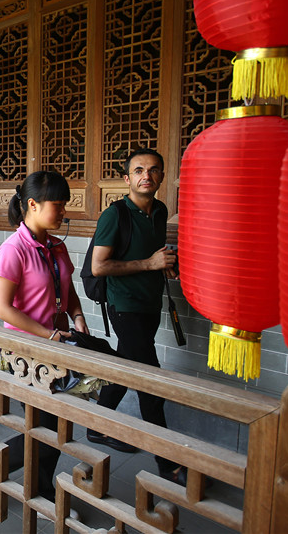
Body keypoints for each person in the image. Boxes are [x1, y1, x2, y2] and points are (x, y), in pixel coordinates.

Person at [0, 171, 84, 520]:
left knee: (56, 426)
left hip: (58, 347)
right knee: (44, 427)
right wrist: (47, 334)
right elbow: (2, 308)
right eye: (58, 204)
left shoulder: (56, 245)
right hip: (26, 354)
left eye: (65, 204)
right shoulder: (13, 249)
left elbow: (67, 288)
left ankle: (38, 487)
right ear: (32, 205)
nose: (63, 210)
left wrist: (77, 315)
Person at [88, 148, 184, 485]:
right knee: (149, 379)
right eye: (139, 170)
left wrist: (165, 266)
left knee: (129, 366)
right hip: (123, 305)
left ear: (161, 177)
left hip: (149, 304)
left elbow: (153, 255)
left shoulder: (160, 211)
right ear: (127, 179)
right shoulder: (115, 215)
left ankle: (95, 424)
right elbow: (99, 266)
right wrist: (149, 264)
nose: (147, 175)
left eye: (154, 170)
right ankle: (168, 463)